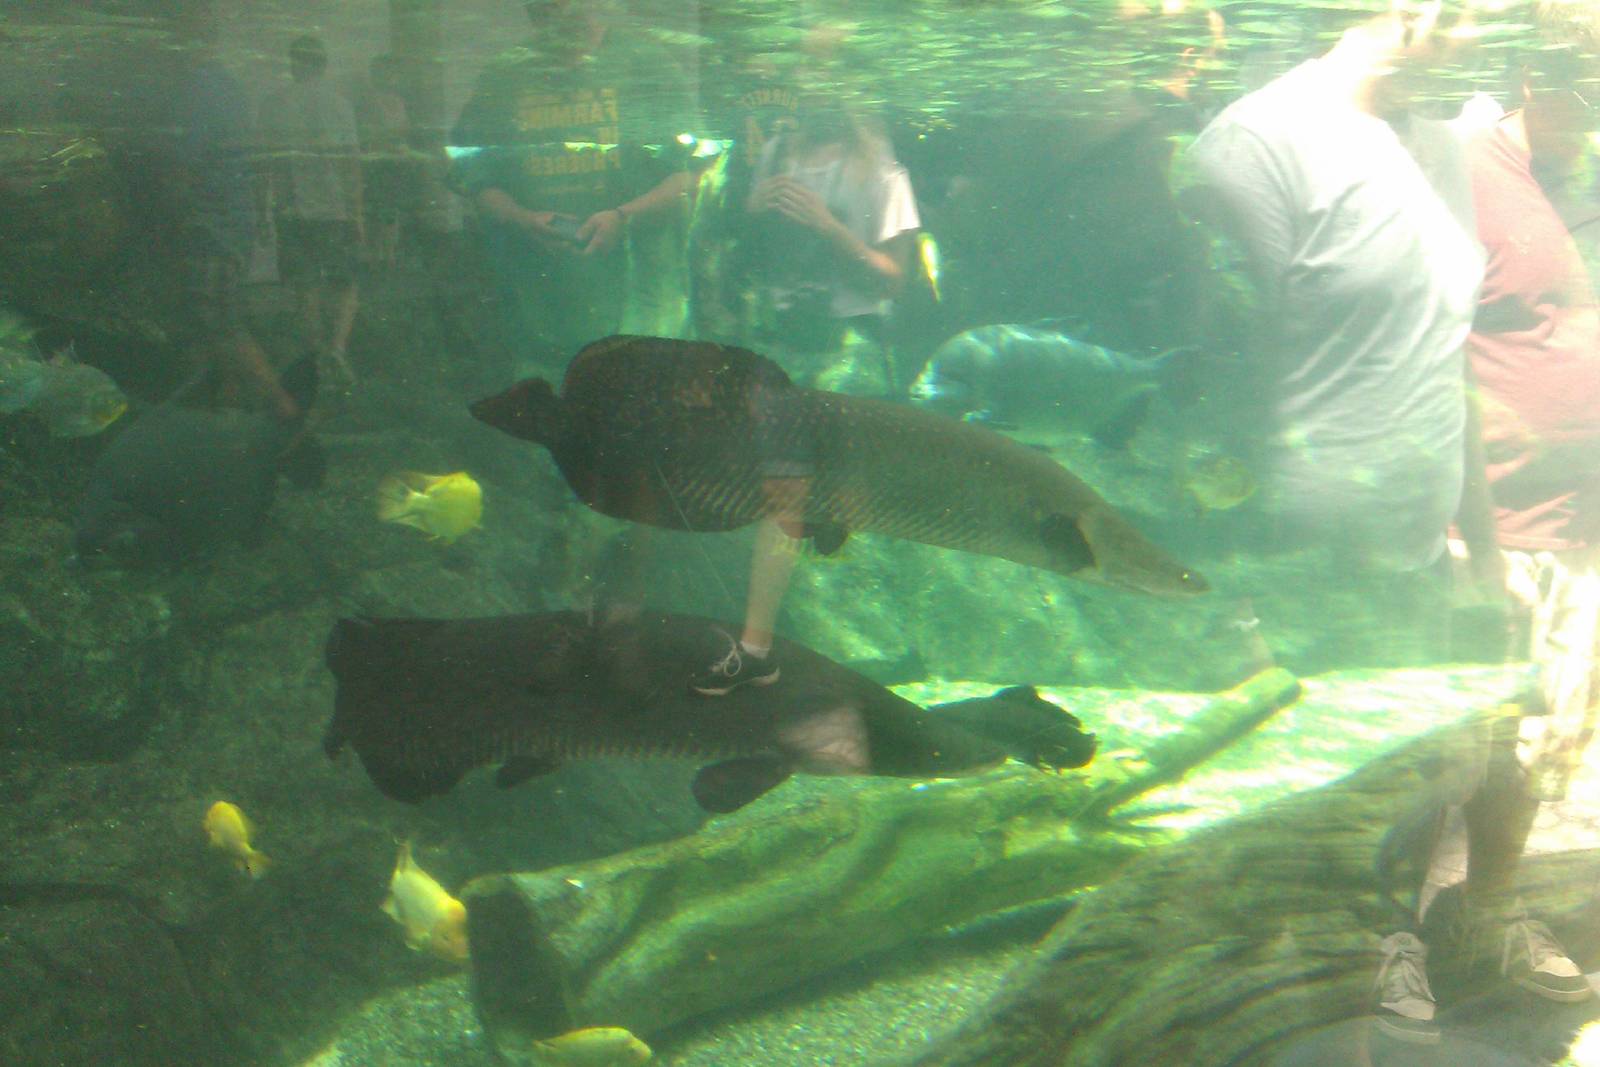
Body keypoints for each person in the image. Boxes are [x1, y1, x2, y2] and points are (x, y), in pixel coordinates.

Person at [1372, 32, 1600, 1044]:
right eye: (1586, 75)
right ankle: (1384, 941)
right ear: (1536, 75)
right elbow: (1422, 348)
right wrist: (1467, 534)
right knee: (1448, 747)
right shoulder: (1462, 167)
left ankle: (1482, 921)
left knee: (1543, 741)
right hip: (1490, 525)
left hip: (1577, 521)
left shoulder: (1575, 171)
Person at [1177, 1, 1485, 671]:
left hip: (1419, 571)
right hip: (1288, 586)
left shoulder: (1439, 145)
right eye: (1461, 13)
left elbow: (1443, 356)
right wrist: (1235, 606)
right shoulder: (1254, 146)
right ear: (1403, 10)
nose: (1479, 36)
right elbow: (1206, 381)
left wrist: (1480, 555)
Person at [448, 0, 697, 376]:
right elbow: (474, 174)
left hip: (638, 294)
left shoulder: (646, 65)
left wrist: (622, 218)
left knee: (636, 406)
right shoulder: (507, 74)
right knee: (546, 408)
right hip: (539, 299)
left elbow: (690, 175)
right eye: (547, 10)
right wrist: (523, 218)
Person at [164, 11, 299, 420]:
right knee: (214, 319)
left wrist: (174, 210)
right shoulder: (227, 85)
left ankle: (283, 409)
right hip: (229, 221)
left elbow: (188, 161)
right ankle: (228, 404)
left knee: (217, 320)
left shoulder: (198, 88)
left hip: (211, 224)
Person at [259, 35, 364, 386]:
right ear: (324, 64)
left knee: (305, 284)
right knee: (344, 281)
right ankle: (337, 348)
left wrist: (264, 209)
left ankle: (317, 351)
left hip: (291, 209)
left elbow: (267, 164)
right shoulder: (339, 104)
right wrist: (357, 212)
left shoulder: (274, 104)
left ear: (293, 63)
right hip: (334, 209)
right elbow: (351, 162)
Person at [357, 54, 412, 271]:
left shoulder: (398, 100)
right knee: (374, 210)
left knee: (389, 210)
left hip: (393, 162)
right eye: (383, 72)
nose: (389, 77)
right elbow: (366, 133)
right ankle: (374, 256)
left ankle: (387, 255)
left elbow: (404, 129)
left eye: (391, 72)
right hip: (374, 163)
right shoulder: (367, 101)